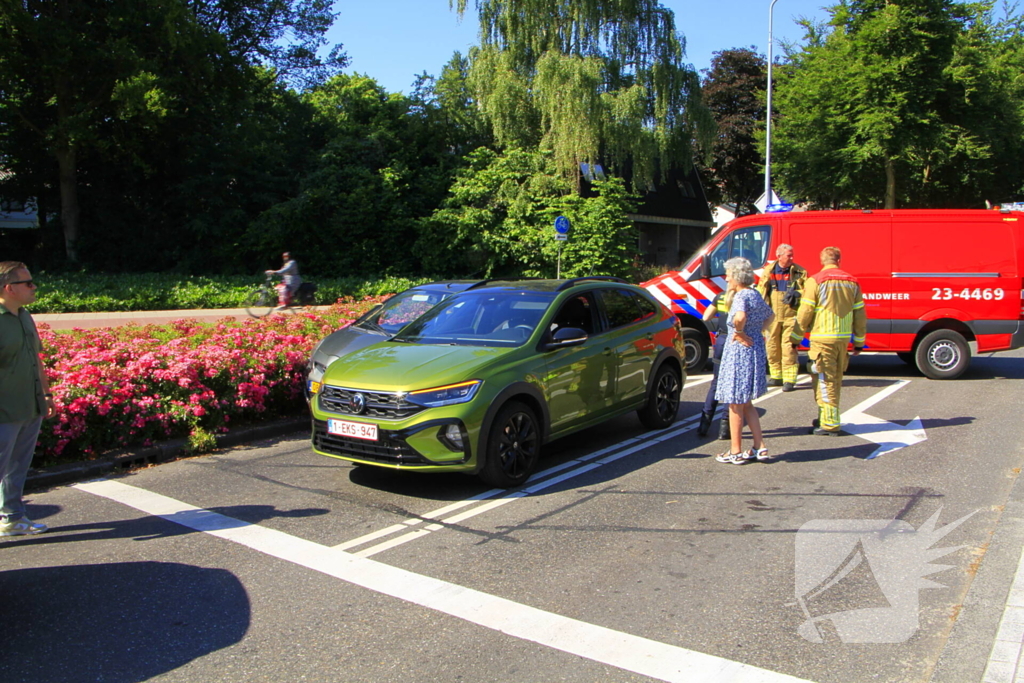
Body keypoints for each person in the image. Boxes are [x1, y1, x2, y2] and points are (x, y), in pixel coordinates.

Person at [0, 261, 55, 536]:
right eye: (28, 283)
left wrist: (46, 394)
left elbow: (35, 358)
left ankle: (12, 518)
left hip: (30, 405)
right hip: (3, 410)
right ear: (9, 288)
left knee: (17, 467)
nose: (34, 287)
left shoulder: (24, 315)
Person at [789, 246, 867, 436]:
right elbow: (860, 314)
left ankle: (830, 424)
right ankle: (824, 417)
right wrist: (859, 342)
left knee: (824, 380)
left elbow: (805, 312)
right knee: (835, 379)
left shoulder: (815, 281)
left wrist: (795, 338)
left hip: (822, 338)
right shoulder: (852, 282)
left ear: (822, 261)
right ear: (839, 260)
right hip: (843, 339)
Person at [714, 257, 776, 464]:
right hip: (754, 351)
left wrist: (740, 332)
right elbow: (770, 316)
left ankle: (735, 451)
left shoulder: (741, 295)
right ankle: (760, 446)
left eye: (728, 275)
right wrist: (756, 331)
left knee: (735, 404)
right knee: (747, 403)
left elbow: (739, 317)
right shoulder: (754, 293)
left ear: (736, 276)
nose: (726, 279)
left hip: (740, 354)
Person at [756, 243, 807, 392]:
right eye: (788, 255)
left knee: (789, 347)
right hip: (772, 315)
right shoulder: (769, 271)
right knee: (772, 346)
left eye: (792, 255)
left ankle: (789, 379)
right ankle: (776, 376)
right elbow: (761, 291)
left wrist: (798, 293)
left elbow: (809, 291)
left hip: (791, 315)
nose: (791, 258)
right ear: (779, 256)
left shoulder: (800, 272)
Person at [697, 291, 731, 439]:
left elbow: (706, 317)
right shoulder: (745, 296)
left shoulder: (721, 296)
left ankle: (704, 425)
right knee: (733, 386)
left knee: (716, 383)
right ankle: (725, 428)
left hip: (722, 341)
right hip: (737, 341)